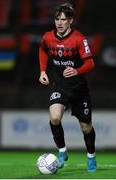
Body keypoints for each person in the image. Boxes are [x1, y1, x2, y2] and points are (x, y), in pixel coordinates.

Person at [39, 2, 97, 172]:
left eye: (63, 19)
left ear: (70, 20)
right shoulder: (48, 37)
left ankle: (91, 156)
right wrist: (43, 71)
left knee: (86, 127)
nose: (59, 22)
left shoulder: (79, 39)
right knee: (55, 118)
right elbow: (42, 50)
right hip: (60, 87)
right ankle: (62, 152)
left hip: (80, 90)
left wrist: (77, 70)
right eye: (57, 19)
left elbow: (91, 63)